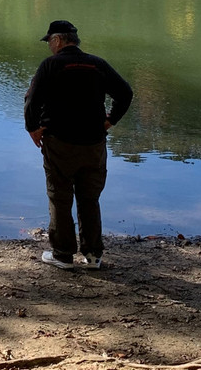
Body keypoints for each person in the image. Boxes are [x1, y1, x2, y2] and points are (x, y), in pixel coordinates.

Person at [24, 20, 132, 270]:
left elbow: (32, 100)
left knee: (60, 197)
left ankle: (62, 255)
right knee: (89, 198)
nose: (49, 46)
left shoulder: (50, 65)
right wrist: (110, 121)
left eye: (50, 41)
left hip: (59, 143)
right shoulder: (97, 64)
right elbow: (125, 93)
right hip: (93, 144)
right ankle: (93, 255)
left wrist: (33, 129)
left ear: (59, 40)